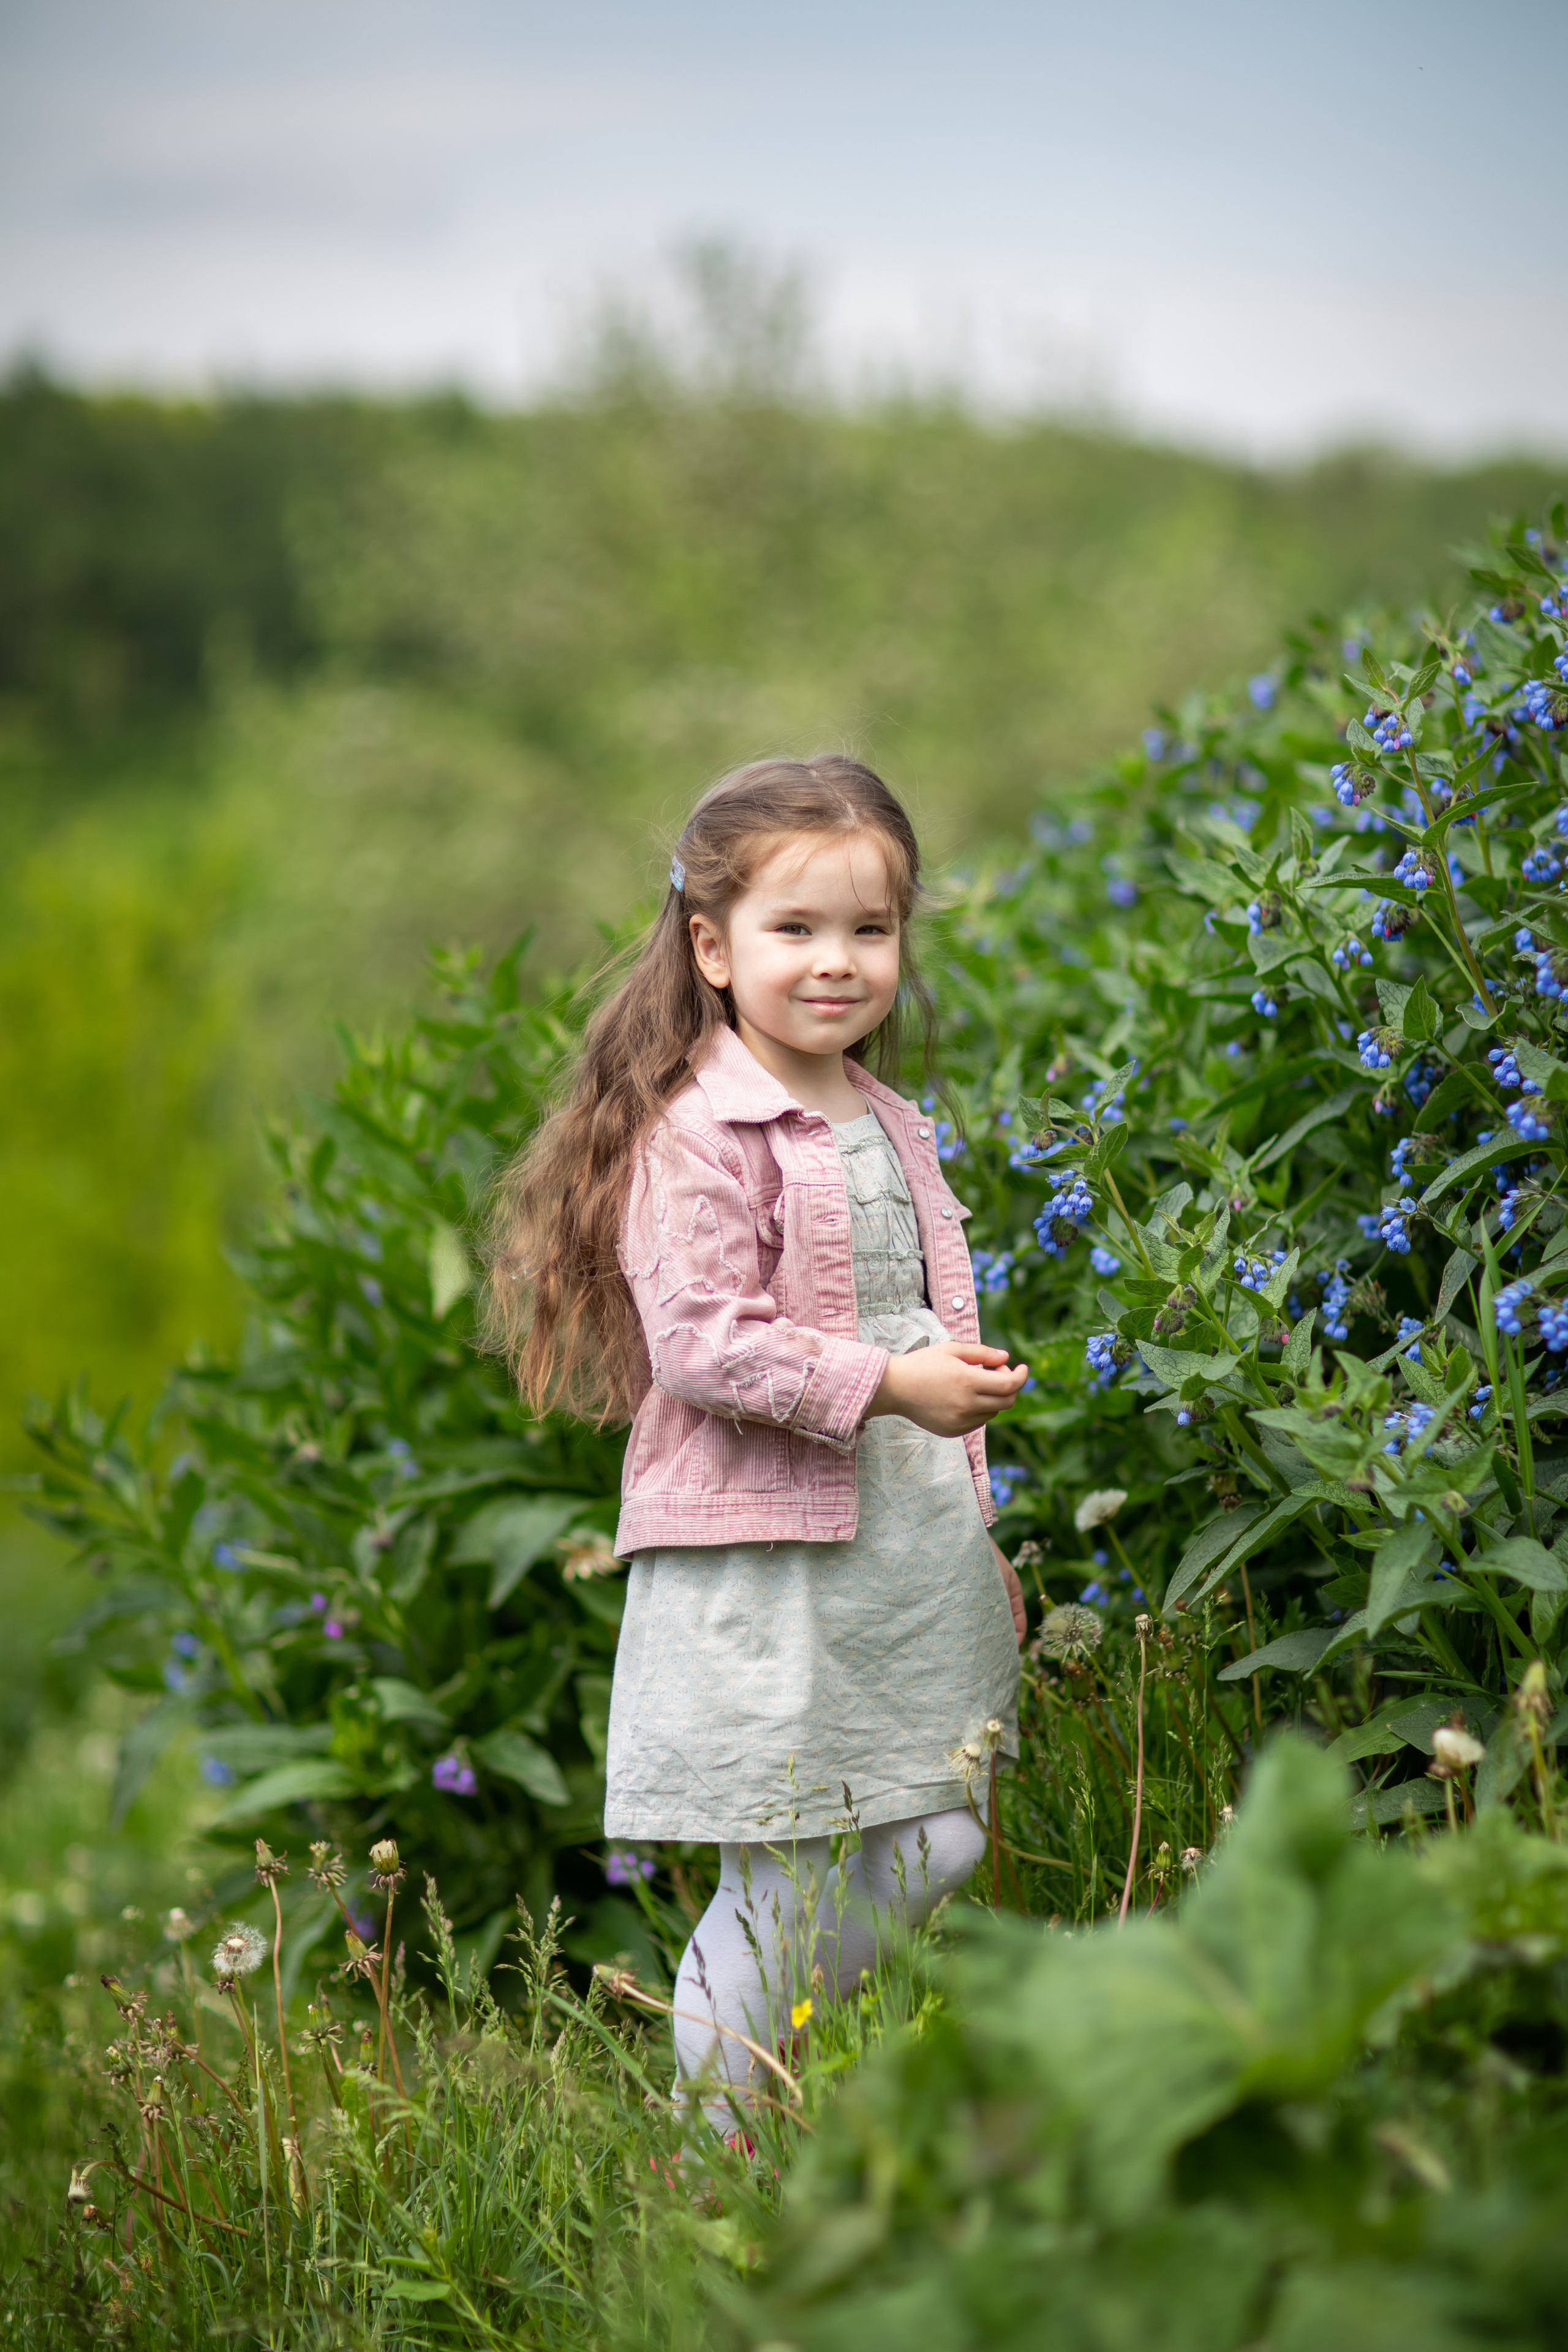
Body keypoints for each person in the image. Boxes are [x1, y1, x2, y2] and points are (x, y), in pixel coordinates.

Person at [488, 754, 1027, 2138]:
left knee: (937, 1833)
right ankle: (718, 2144)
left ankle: (763, 2074)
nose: (837, 962)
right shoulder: (697, 1135)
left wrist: (938, 1385)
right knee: (781, 1878)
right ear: (712, 949)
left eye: (870, 928)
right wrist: (894, 1383)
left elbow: (888, 1303)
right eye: (797, 930)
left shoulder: (886, 1117)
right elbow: (703, 1347)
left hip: (892, 1548)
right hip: (766, 1560)